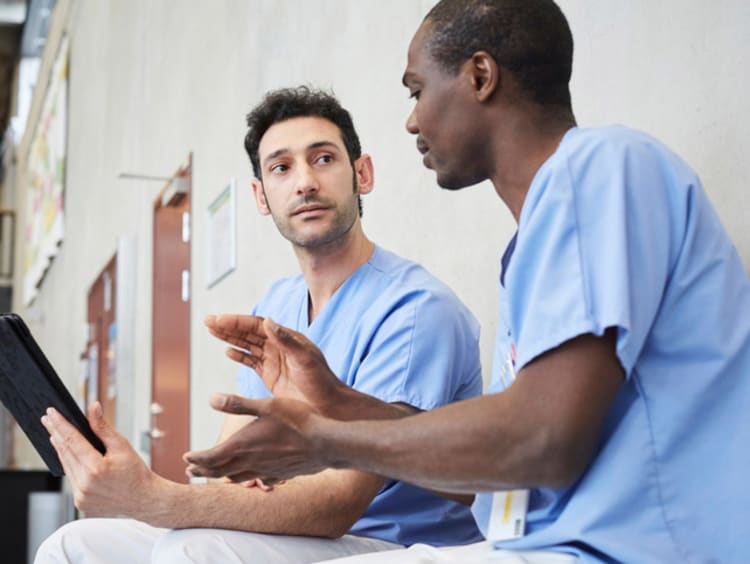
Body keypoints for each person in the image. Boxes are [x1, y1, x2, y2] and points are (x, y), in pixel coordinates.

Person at [183, 1, 750, 563]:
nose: (412, 120)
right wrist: (341, 403)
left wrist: (322, 439)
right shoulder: (535, 246)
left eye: (416, 90)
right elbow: (490, 472)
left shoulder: (603, 168)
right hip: (544, 541)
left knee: (196, 553)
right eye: (280, 168)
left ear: (480, 76)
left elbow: (541, 442)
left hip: (637, 550)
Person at [35, 86, 485, 563]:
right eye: (281, 167)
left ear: (362, 173)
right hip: (303, 538)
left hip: (392, 541)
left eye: (324, 158)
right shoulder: (278, 306)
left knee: (192, 548)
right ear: (261, 196)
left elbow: (339, 504)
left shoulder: (414, 308)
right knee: (72, 544)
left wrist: (153, 498)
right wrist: (147, 481)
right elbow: (231, 460)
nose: (305, 182)